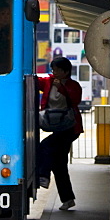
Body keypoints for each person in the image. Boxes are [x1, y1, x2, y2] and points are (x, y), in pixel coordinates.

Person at [36, 57, 83, 211]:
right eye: (52, 69)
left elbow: (74, 100)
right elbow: (35, 82)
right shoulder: (48, 82)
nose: (54, 72)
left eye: (57, 70)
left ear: (66, 72)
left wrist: (62, 88)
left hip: (69, 127)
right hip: (57, 126)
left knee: (45, 146)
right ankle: (68, 199)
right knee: (59, 164)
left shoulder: (73, 86)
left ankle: (43, 176)